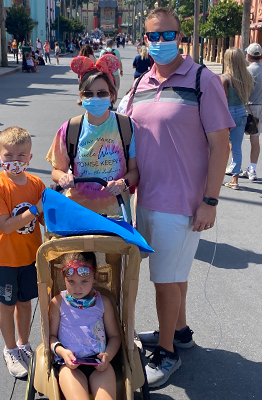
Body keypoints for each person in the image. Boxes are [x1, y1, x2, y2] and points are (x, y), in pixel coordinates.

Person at [125, 7, 234, 387]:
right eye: (153, 36)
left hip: (184, 203)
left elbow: (220, 146)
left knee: (164, 281)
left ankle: (167, 352)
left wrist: (211, 200)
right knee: (174, 276)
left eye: (167, 35)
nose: (160, 42)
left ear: (180, 35)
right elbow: (120, 133)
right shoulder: (140, 84)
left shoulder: (203, 80)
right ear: (145, 39)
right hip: (147, 200)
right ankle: (181, 332)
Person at [46, 54, 139, 220]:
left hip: (116, 215)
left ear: (112, 95)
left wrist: (122, 183)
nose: (95, 98)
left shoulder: (126, 126)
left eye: (101, 93)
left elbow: (134, 171)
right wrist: (64, 177)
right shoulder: (70, 129)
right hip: (77, 214)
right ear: (81, 97)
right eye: (89, 94)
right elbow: (56, 171)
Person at [0, 127, 45, 378]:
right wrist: (35, 209)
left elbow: (45, 220)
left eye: (21, 155)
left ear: (30, 158)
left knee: (25, 302)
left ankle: (23, 344)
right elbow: (7, 225)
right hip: (5, 259)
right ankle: (10, 349)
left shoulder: (36, 183)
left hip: (31, 257)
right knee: (7, 303)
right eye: (9, 156)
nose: (15, 161)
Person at [49, 252, 121, 400]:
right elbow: (50, 337)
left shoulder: (104, 302)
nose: (77, 287)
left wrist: (107, 357)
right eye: (71, 281)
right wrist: (62, 352)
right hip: (69, 364)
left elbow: (115, 337)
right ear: (64, 278)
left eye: (84, 281)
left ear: (95, 277)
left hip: (99, 364)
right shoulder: (58, 303)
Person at [221, 48, 254, 190]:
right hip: (242, 112)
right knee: (237, 147)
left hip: (228, 113)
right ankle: (235, 179)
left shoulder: (225, 78)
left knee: (220, 148)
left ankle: (216, 176)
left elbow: (222, 100)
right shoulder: (247, 77)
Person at [240, 43, 262, 181]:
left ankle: (235, 166)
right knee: (255, 139)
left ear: (248, 56)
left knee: (236, 137)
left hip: (249, 108)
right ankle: (252, 169)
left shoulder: (247, 72)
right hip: (261, 107)